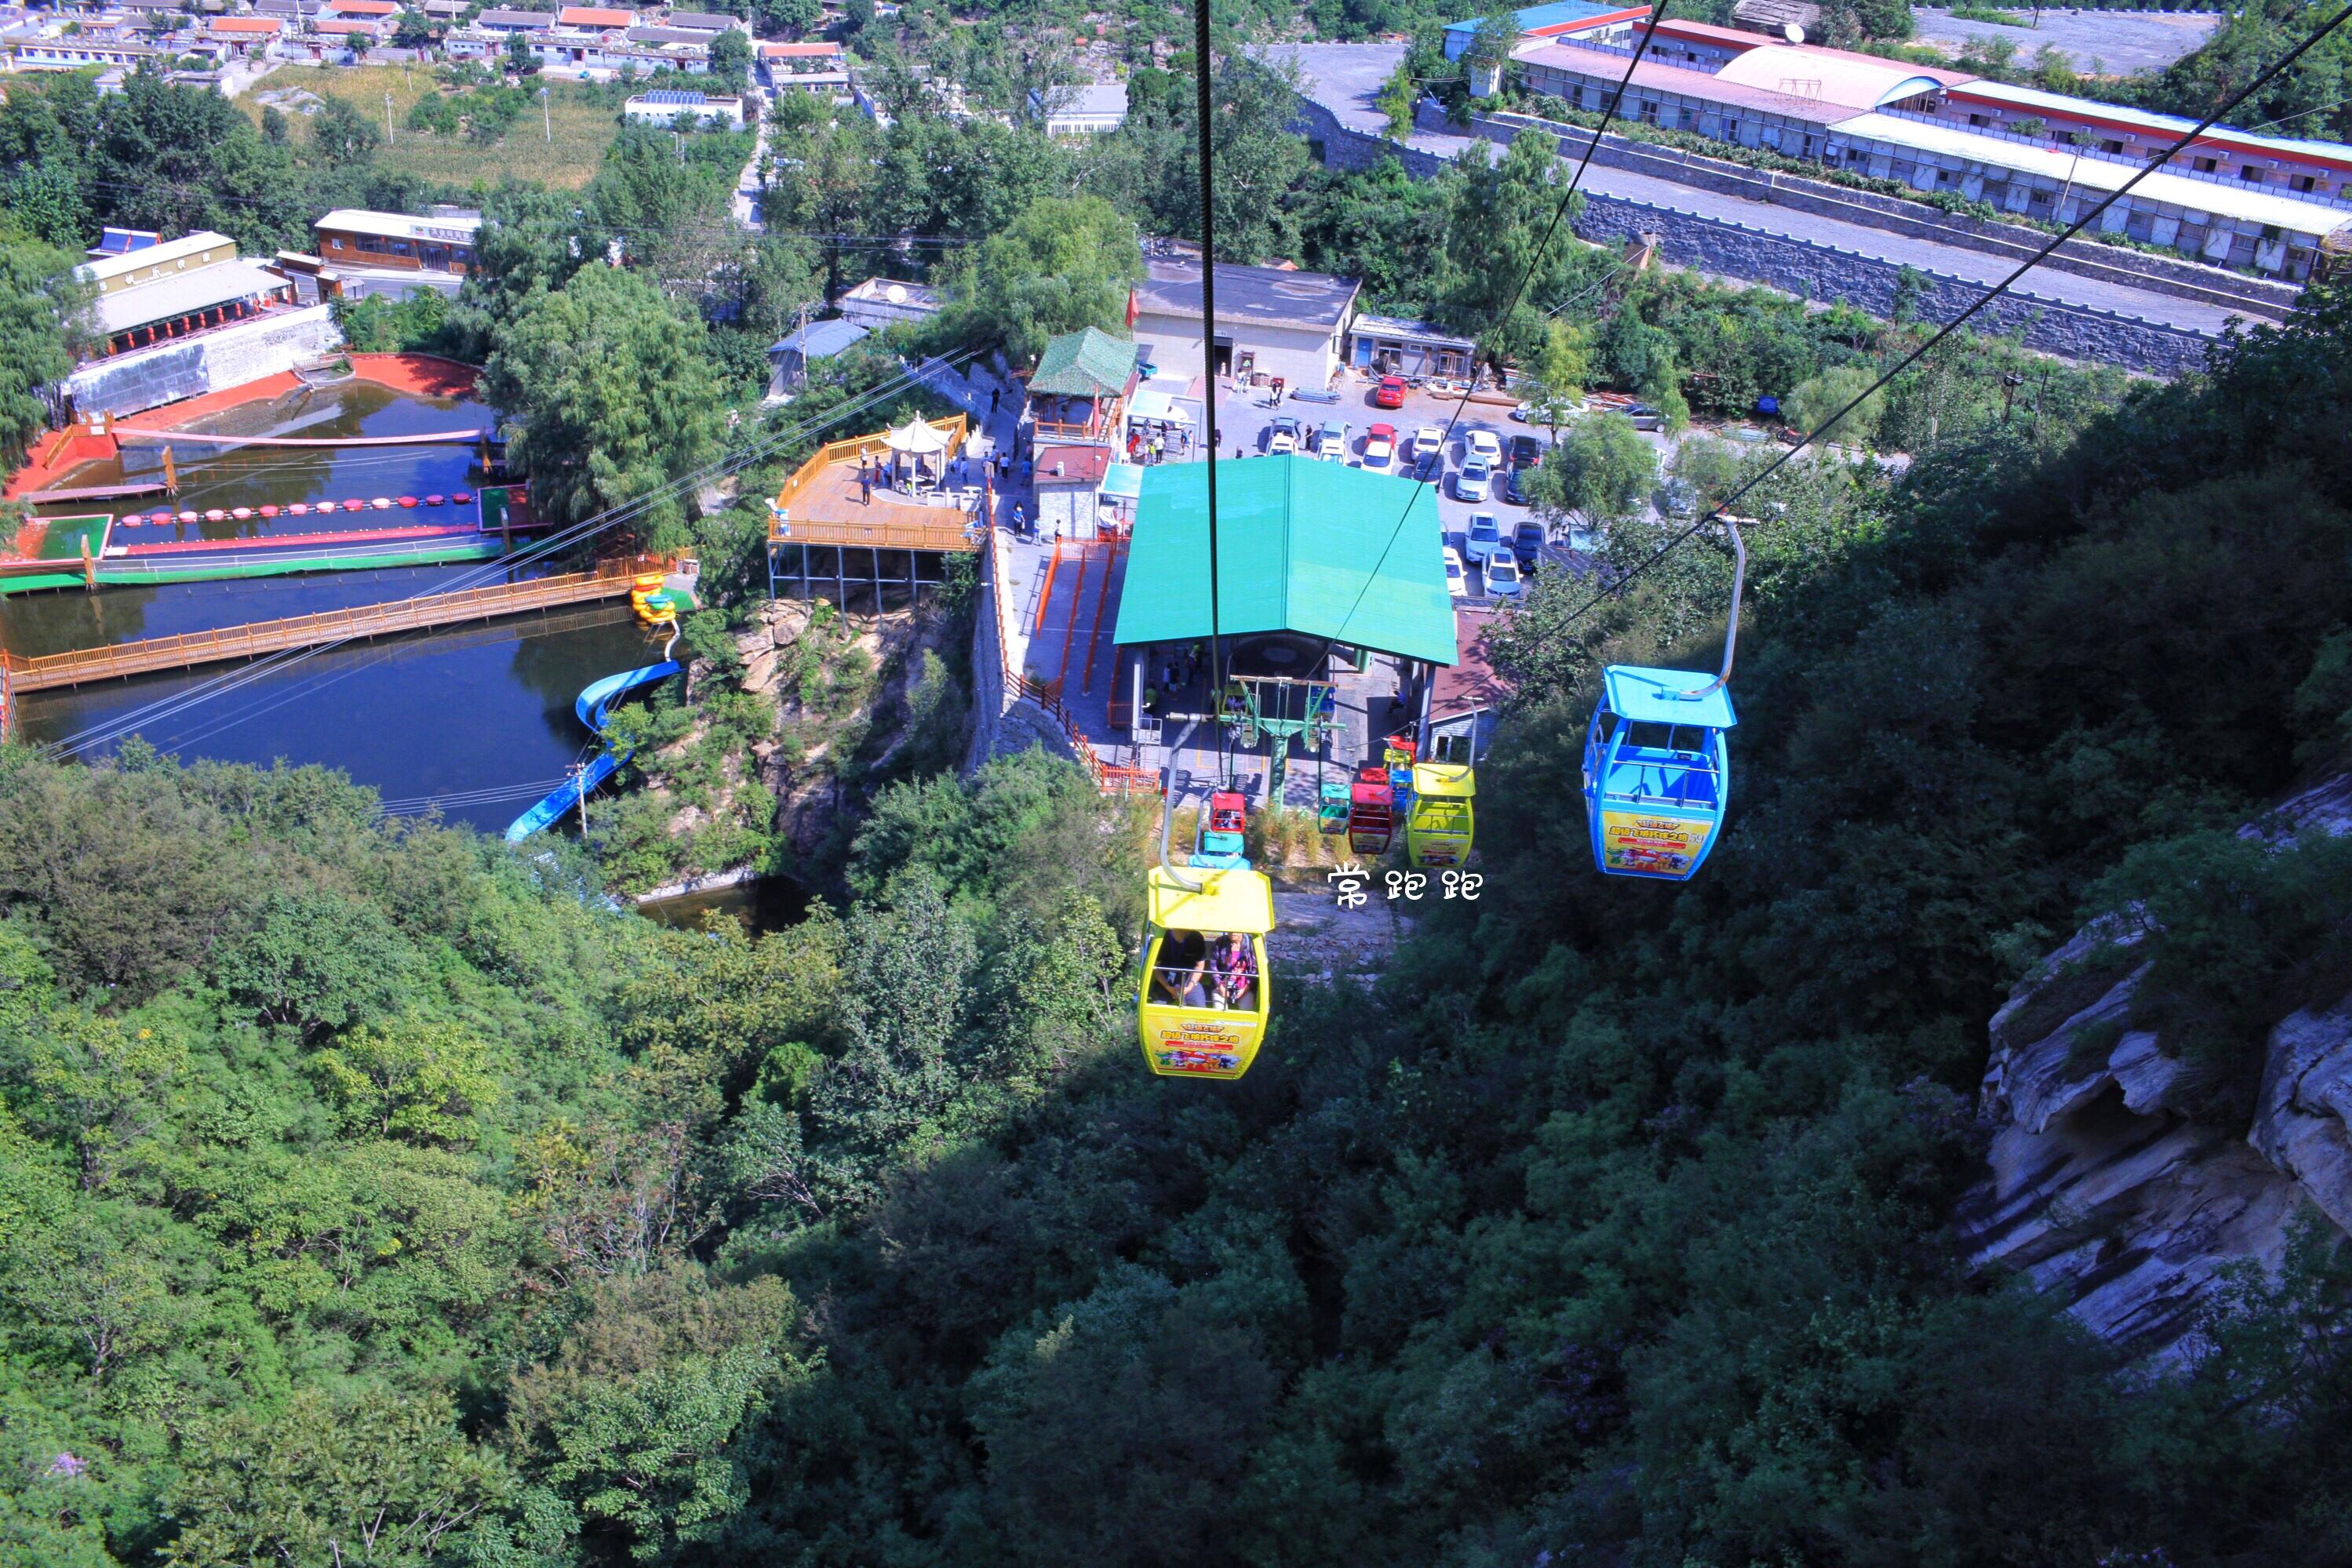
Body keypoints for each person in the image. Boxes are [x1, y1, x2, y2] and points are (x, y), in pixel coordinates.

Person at [1155, 929, 1209, 1007]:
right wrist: (1168, 987)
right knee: (1157, 1007)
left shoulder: (1196, 937)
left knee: (1200, 1006)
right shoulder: (1163, 936)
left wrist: (1189, 987)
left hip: (1189, 979)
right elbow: (1156, 967)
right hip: (1166, 979)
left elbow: (1199, 966)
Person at [1207, 930, 1256, 1012]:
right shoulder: (1220, 942)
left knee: (1247, 1012)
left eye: (1236, 931)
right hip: (1222, 985)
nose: (1233, 933)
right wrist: (1220, 987)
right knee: (1219, 1010)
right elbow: (1213, 966)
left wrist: (1244, 990)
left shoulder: (1251, 944)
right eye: (1230, 931)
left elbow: (1255, 970)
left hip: (1243, 987)